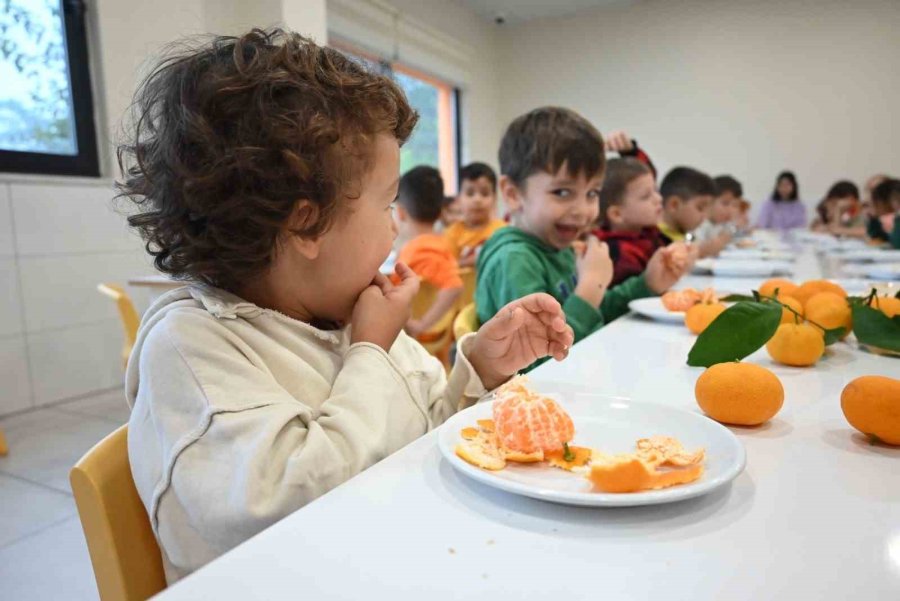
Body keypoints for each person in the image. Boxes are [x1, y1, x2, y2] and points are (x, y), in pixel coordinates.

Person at [117, 30, 574, 583]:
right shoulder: (193, 349)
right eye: (386, 204)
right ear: (307, 223)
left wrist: (478, 371)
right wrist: (369, 352)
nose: (395, 226)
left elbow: (423, 433)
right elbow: (288, 511)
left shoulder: (349, 312)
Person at [475, 107, 687, 371]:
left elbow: (596, 311)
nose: (583, 210)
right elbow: (532, 364)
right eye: (563, 192)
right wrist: (589, 288)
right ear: (513, 193)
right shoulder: (515, 260)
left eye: (592, 193)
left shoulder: (557, 245)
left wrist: (647, 283)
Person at [593, 158, 692, 287]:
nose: (658, 199)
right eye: (646, 196)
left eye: (655, 191)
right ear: (617, 214)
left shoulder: (649, 234)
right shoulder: (616, 252)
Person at [393, 166, 463, 338]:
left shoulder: (419, 251)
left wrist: (421, 325)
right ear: (440, 212)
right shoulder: (443, 243)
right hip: (440, 335)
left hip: (418, 338)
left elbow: (454, 286)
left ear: (401, 213)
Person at [443, 162, 506, 267]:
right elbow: (448, 267)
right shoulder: (451, 234)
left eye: (485, 193)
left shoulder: (502, 231)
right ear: (458, 200)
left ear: (494, 199)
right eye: (470, 193)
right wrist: (469, 262)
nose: (477, 200)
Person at [657, 166, 716, 246]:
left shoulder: (685, 234)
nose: (705, 217)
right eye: (700, 208)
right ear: (674, 205)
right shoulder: (657, 238)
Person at [692, 175, 742, 257]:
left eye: (735, 205)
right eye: (725, 203)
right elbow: (697, 250)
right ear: (709, 202)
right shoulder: (699, 223)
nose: (730, 210)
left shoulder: (721, 223)